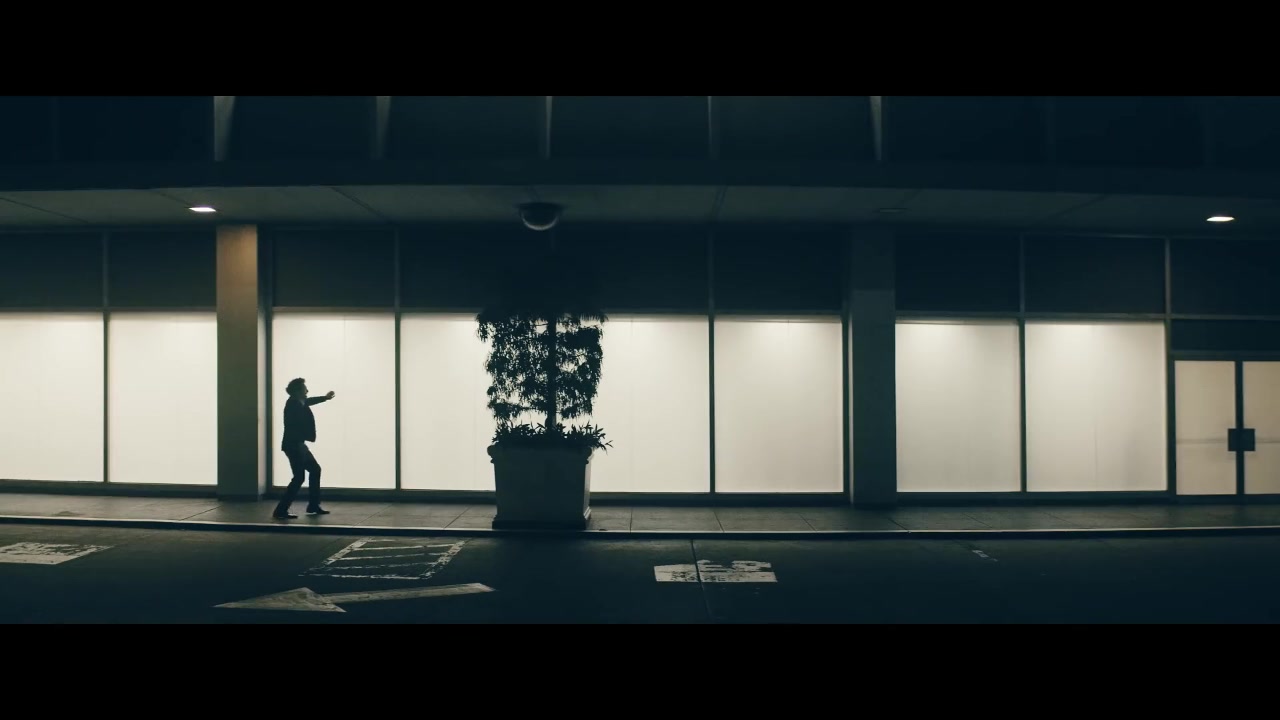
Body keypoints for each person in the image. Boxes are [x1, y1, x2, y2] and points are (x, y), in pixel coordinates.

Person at [273, 377, 336, 520]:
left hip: (297, 444)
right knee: (300, 477)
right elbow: (293, 427)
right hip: (295, 445)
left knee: (313, 471)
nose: (307, 391)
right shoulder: (293, 405)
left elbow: (310, 401)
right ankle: (281, 510)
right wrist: (299, 445)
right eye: (304, 389)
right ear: (297, 391)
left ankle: (312, 505)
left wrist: (325, 398)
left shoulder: (298, 402)